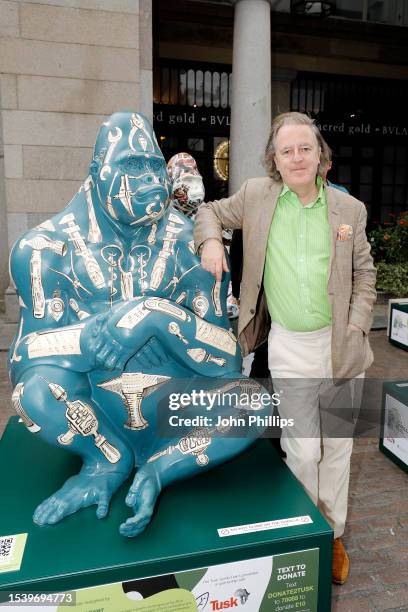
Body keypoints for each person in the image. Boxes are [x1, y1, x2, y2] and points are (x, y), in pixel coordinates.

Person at [8, 111, 266, 538]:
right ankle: (106, 461)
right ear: (98, 171)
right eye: (131, 165)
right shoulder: (43, 248)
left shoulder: (193, 245)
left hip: (174, 410)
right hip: (92, 414)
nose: (147, 179)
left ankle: (162, 469)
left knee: (253, 403)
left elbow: (227, 360)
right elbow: (23, 356)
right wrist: (91, 337)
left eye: (152, 166)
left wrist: (157, 316)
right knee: (32, 392)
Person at [194, 111, 377, 584]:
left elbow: (366, 275)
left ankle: (332, 536)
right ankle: (304, 534)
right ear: (274, 159)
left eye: (305, 148)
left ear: (321, 156)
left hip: (342, 350)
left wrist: (356, 327)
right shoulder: (258, 197)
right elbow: (208, 210)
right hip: (290, 347)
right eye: (286, 150)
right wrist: (212, 241)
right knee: (300, 451)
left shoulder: (349, 211)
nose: (297, 157)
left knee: (336, 448)